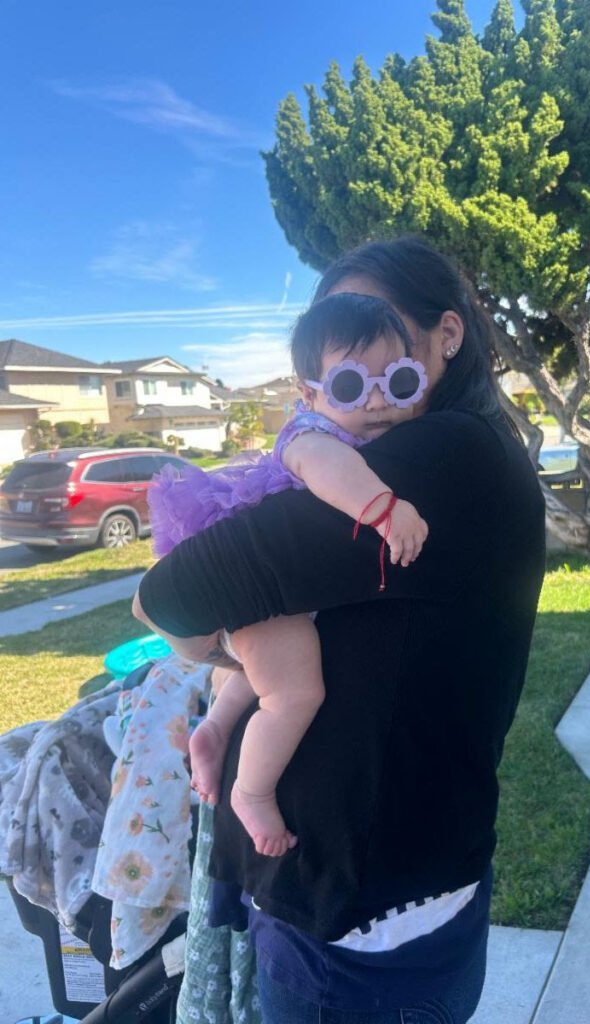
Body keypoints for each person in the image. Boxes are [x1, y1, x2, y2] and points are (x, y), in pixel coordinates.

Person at [133, 236, 546, 1023]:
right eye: (339, 337)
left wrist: (211, 646)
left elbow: (172, 597)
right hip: (388, 884)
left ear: (446, 335)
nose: (367, 368)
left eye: (381, 330)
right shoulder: (451, 449)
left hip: (361, 920)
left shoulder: (444, 455)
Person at [148, 292, 429, 857]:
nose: (378, 400)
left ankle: (215, 729)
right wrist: (383, 508)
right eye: (351, 386)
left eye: (398, 382)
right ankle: (251, 791)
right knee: (296, 691)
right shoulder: (312, 437)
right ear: (309, 394)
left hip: (267, 596)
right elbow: (330, 471)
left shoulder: (367, 434)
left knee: (264, 672)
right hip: (255, 591)